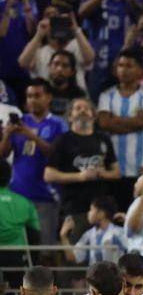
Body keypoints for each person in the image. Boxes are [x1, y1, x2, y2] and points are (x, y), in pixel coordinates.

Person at [0, 78, 66, 245]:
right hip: (18, 192)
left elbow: (57, 153)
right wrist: (7, 135)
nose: (32, 100)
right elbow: (3, 154)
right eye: (29, 96)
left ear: (49, 97)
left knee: (45, 248)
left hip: (45, 193)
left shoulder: (59, 124)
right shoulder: (21, 122)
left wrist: (32, 136)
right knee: (18, 245)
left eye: (37, 95)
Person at [43, 98, 120, 235]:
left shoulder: (103, 140)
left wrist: (101, 174)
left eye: (87, 108)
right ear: (70, 116)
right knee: (76, 251)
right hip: (74, 206)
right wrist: (80, 176)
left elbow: (116, 173)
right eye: (78, 108)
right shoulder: (63, 141)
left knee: (103, 252)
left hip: (102, 209)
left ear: (93, 115)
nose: (83, 111)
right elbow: (48, 174)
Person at [96, 50, 143, 200]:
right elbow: (104, 123)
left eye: (129, 65)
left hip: (138, 167)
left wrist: (115, 119)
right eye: (120, 65)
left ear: (141, 70)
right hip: (111, 168)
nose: (123, 69)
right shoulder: (106, 95)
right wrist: (132, 122)